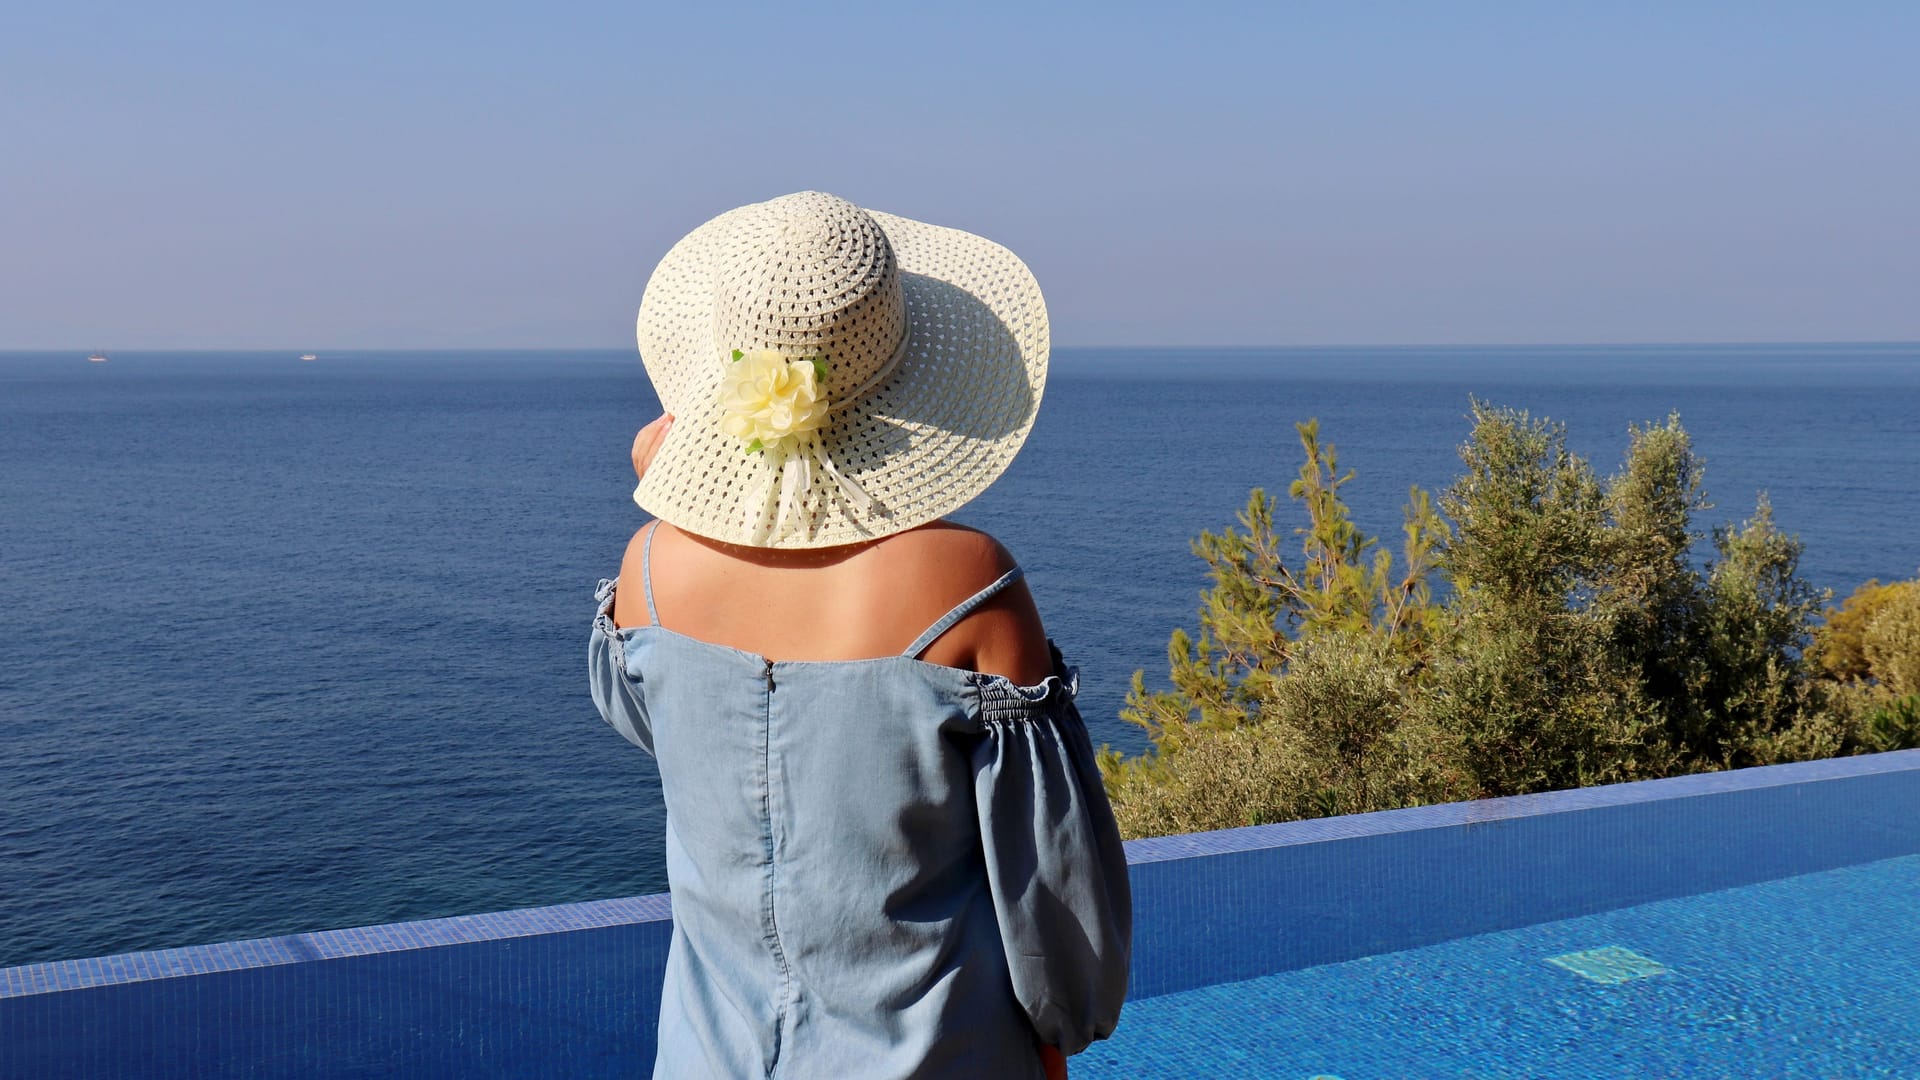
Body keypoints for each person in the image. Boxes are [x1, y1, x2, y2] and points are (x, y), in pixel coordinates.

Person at [589, 191, 1131, 1079]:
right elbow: (1051, 887)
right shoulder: (967, 583)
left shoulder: (650, 569)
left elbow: (644, 711)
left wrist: (671, 495)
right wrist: (1061, 1031)